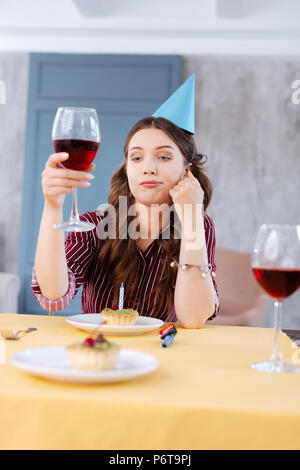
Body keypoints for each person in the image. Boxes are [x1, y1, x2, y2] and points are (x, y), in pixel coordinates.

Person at [31, 76, 219, 328]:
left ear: (187, 171)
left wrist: (193, 219)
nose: (149, 168)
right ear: (127, 168)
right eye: (137, 157)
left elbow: (194, 319)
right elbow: (53, 296)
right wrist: (52, 207)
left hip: (165, 356)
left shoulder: (200, 226)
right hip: (100, 353)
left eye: (163, 157)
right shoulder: (93, 226)